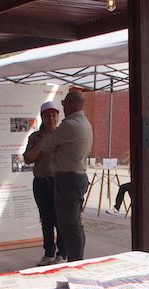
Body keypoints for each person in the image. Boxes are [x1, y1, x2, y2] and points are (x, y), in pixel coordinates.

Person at [40, 90, 93, 262]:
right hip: (75, 177)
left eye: (63, 103)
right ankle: (76, 259)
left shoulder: (69, 125)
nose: (63, 107)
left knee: (69, 225)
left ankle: (76, 261)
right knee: (73, 224)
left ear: (70, 103)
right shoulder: (84, 123)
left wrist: (51, 137)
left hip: (68, 179)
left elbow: (46, 146)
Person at [23, 101, 66, 266]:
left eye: (54, 115)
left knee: (60, 218)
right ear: (42, 117)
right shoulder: (35, 137)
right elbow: (28, 159)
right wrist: (42, 143)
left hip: (58, 182)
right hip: (41, 182)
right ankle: (48, 253)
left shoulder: (62, 135)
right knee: (46, 219)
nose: (51, 118)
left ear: (58, 116)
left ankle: (62, 253)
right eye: (47, 115)